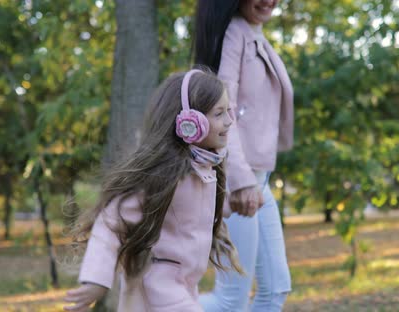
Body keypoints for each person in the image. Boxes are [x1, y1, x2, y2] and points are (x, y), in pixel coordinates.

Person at [63, 69, 242, 312]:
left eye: (228, 111)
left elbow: (194, 213)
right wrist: (96, 280)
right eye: (219, 113)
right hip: (159, 285)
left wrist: (236, 203)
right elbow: (111, 220)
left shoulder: (206, 169)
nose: (229, 121)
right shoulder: (164, 175)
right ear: (190, 123)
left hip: (184, 285)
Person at [193, 0, 294, 310]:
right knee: (229, 301)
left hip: (258, 182)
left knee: (275, 289)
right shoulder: (234, 33)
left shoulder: (253, 33)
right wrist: (239, 180)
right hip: (237, 184)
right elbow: (221, 111)